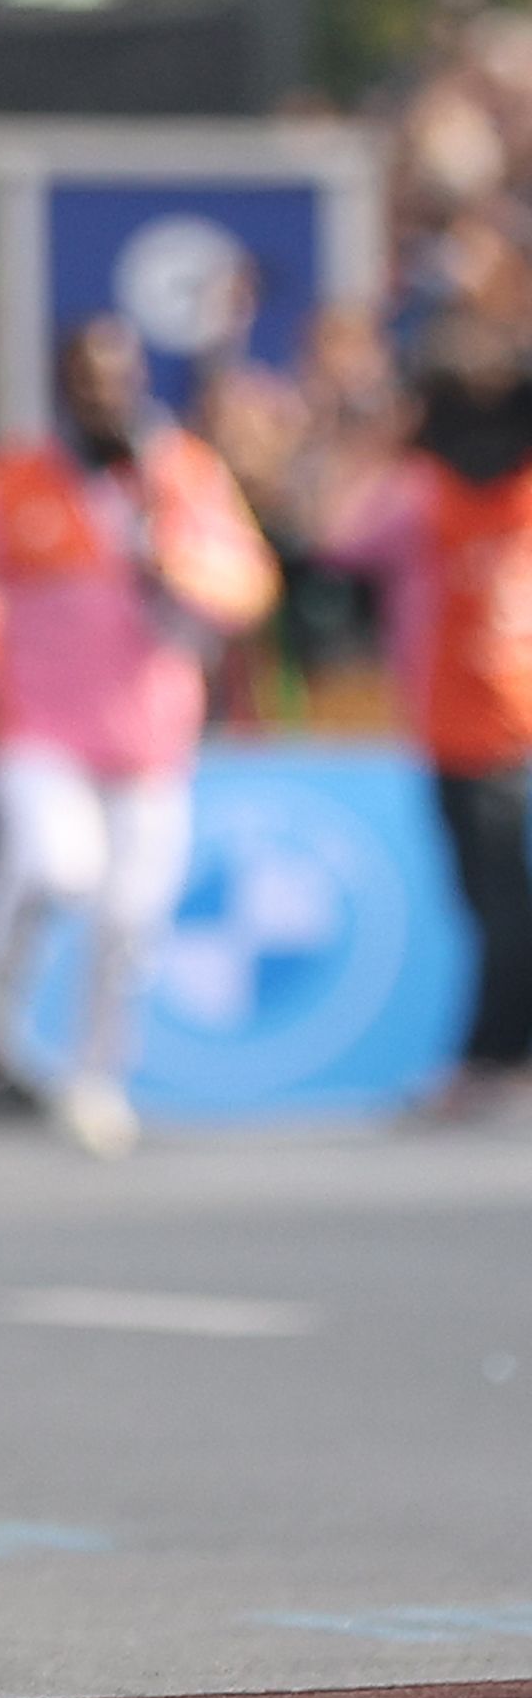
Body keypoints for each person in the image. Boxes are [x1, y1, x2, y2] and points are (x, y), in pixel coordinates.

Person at [0, 316, 276, 1157]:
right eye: (87, 380)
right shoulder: (14, 481)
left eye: (118, 378)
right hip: (38, 729)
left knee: (132, 916)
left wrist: (173, 562)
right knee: (58, 867)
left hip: (151, 739)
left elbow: (248, 586)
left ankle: (95, 1077)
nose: (104, 396)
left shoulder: (183, 476)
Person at [322, 316, 532, 1116]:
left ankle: (491, 1060)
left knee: (499, 907)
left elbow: (337, 536)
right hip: (498, 726)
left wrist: (381, 441)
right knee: (504, 903)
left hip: (468, 730)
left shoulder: (420, 496)